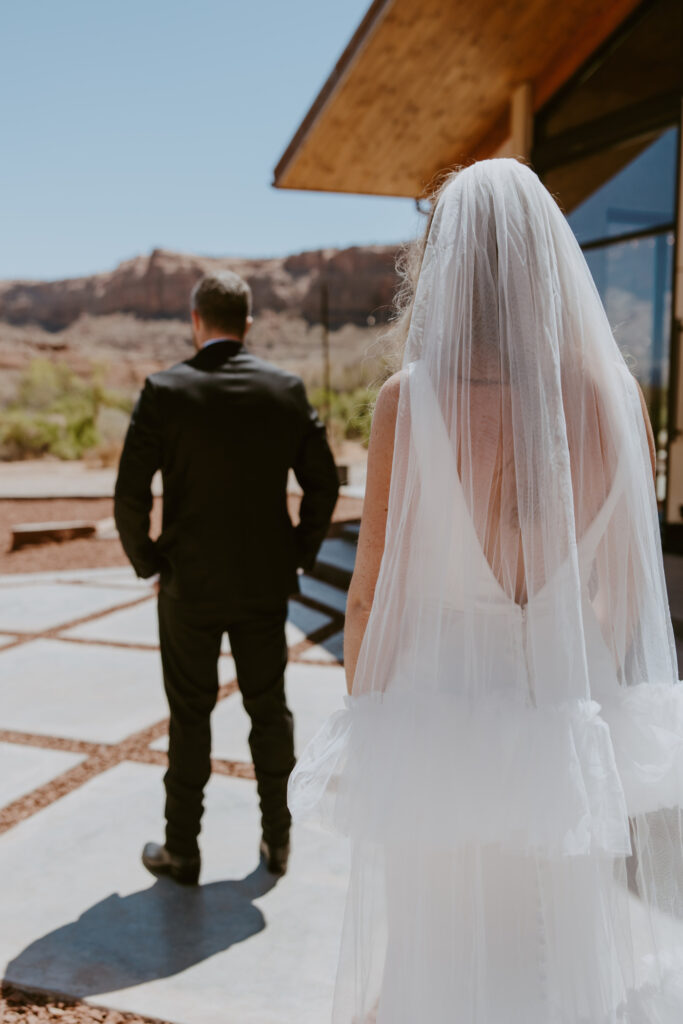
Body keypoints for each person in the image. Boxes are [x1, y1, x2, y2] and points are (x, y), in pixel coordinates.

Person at [289, 160, 683, 1021]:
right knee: (557, 946)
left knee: (437, 951)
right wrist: (576, 682)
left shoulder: (408, 402)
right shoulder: (619, 400)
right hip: (564, 720)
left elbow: (365, 598)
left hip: (437, 721)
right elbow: (621, 591)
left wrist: (372, 725)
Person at [115, 270, 339, 885]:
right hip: (265, 585)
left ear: (196, 321)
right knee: (270, 711)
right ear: (248, 323)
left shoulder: (165, 390)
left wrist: (150, 560)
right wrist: (299, 551)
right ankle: (279, 840)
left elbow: (129, 493)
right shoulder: (284, 389)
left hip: (188, 586)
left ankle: (182, 850)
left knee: (190, 716)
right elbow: (326, 481)